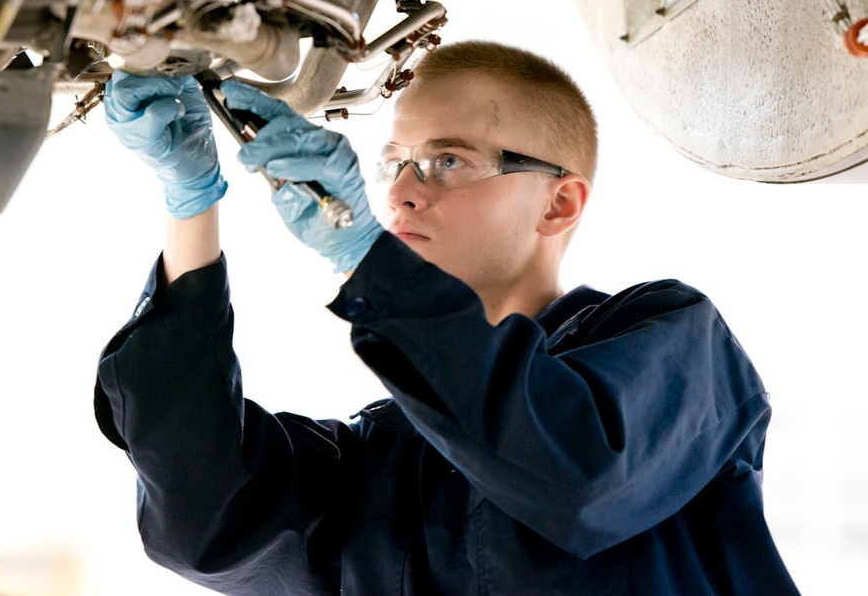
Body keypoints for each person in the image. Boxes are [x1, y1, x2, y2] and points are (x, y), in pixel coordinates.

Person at [94, 41, 799, 594]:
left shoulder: (675, 342)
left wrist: (367, 260)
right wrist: (191, 204)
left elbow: (577, 472)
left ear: (559, 203)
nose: (399, 193)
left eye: (447, 160)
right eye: (395, 162)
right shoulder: (390, 451)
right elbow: (208, 520)